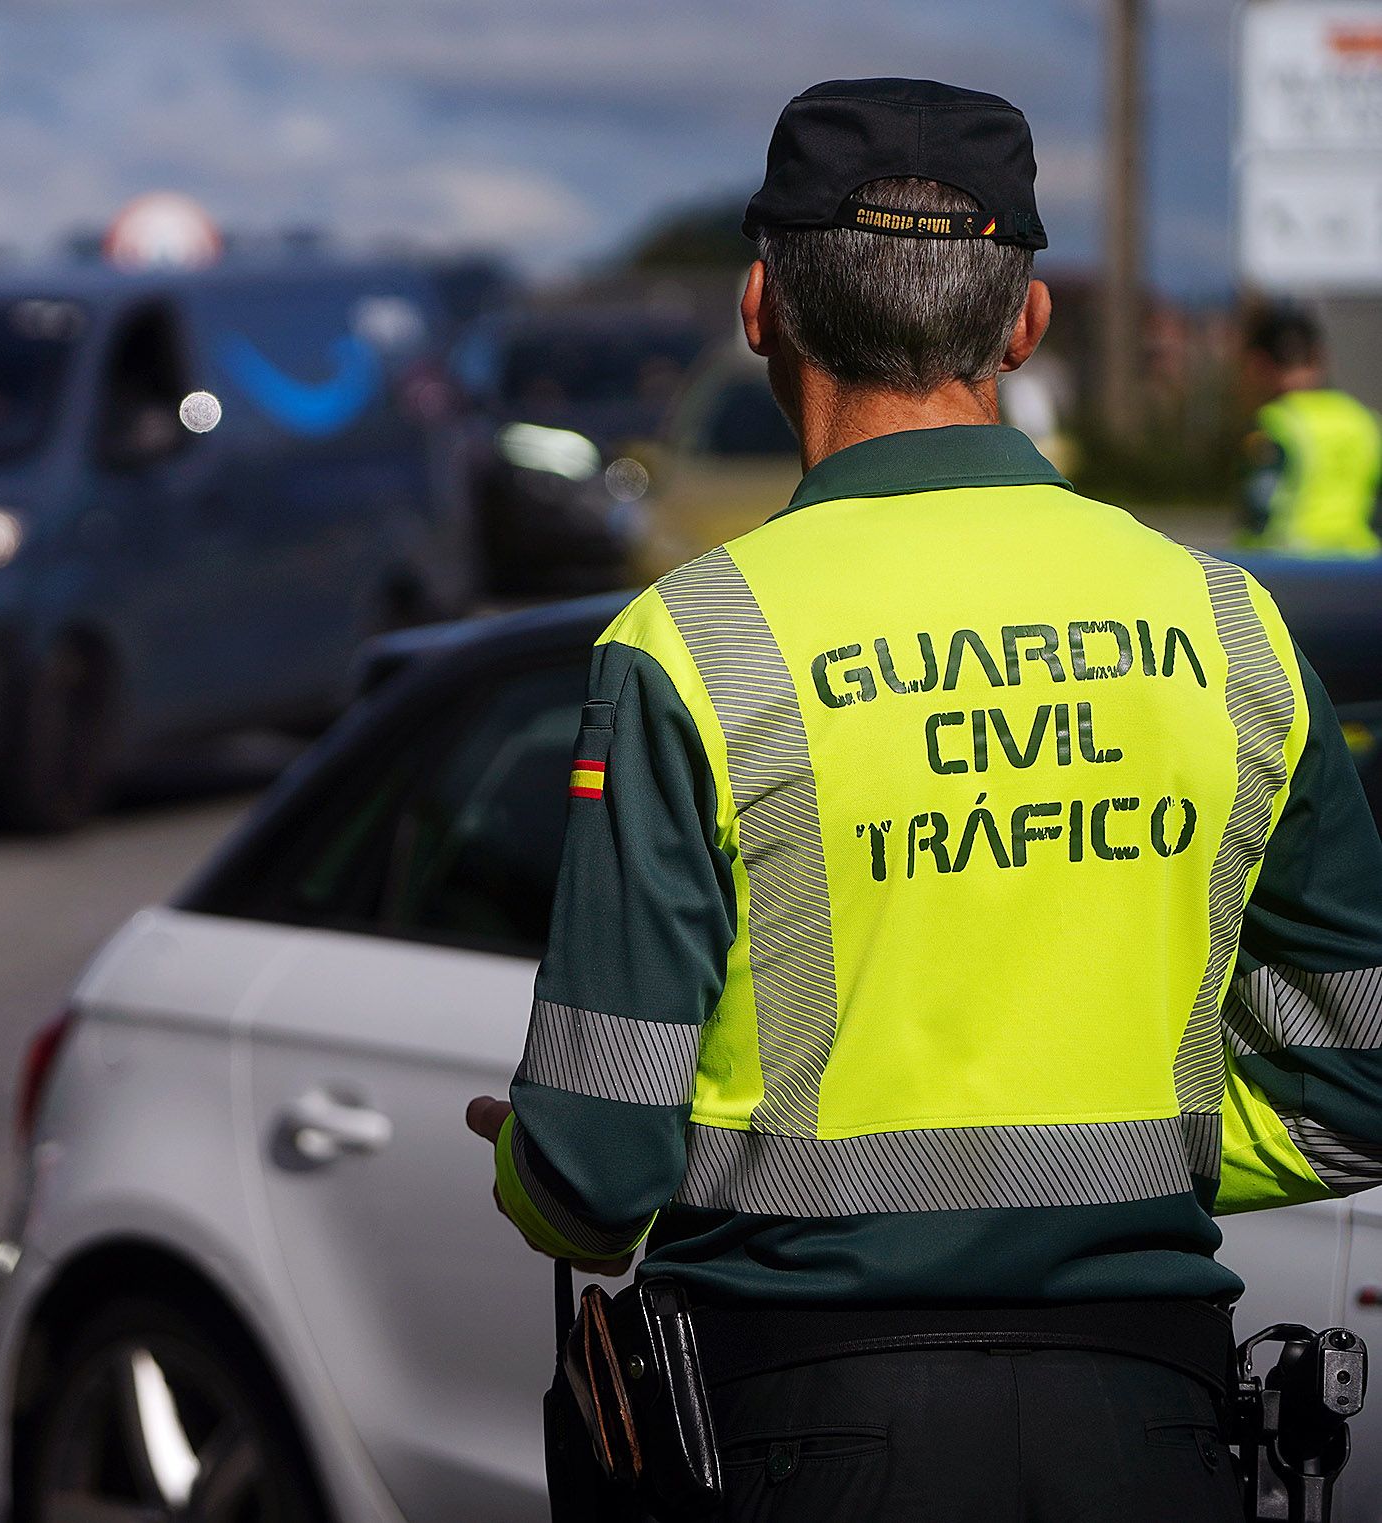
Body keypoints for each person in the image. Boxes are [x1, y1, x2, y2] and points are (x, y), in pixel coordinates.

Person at [465, 77, 1382, 1520]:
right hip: (1154, 1423)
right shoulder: (1230, 626)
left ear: (760, 304)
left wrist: (529, 1160)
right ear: (1024, 324)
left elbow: (591, 1171)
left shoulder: (688, 646)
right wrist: (1140, 1148)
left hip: (795, 1423)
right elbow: (1356, 1086)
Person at [1240, 306, 1382, 557]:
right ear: (1319, 357)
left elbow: (1259, 504)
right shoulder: (1364, 421)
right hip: (1363, 566)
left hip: (1290, 565)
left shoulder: (1276, 423)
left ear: (1259, 364)